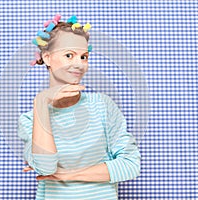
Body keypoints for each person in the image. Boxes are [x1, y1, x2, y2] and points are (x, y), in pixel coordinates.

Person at [17, 14, 141, 200]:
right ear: (47, 58)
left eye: (84, 56)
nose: (79, 64)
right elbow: (46, 167)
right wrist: (41, 103)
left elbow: (130, 165)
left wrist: (67, 175)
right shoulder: (30, 119)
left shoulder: (102, 106)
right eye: (69, 55)